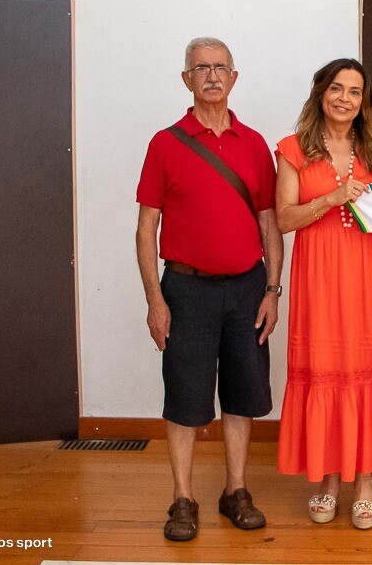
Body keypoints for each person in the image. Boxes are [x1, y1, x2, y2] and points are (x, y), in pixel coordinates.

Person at [136, 37, 284, 541]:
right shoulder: (165, 142)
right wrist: (155, 299)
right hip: (186, 290)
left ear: (235, 78)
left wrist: (272, 289)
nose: (213, 75)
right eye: (202, 67)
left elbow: (270, 224)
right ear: (186, 79)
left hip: (246, 290)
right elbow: (145, 228)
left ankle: (234, 491)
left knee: (241, 396)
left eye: (221, 67)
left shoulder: (254, 143)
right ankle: (182, 498)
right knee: (184, 399)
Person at [274, 58, 372, 529]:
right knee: (326, 370)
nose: (344, 98)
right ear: (320, 93)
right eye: (336, 88)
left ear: (364, 102)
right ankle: (329, 481)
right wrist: (329, 199)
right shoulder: (293, 149)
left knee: (369, 369)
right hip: (318, 276)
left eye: (354, 92)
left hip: (369, 274)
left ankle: (366, 483)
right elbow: (283, 219)